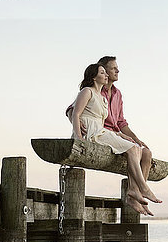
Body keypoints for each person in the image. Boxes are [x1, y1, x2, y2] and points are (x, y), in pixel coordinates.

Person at [70, 63, 161, 216]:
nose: (106, 75)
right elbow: (74, 113)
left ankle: (134, 192)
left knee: (140, 149)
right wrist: (79, 138)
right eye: (103, 72)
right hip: (91, 133)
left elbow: (118, 123)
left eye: (106, 72)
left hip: (102, 131)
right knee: (133, 149)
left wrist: (124, 136)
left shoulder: (107, 97)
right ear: (94, 76)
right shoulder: (87, 91)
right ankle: (142, 188)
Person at [66, 55, 153, 183]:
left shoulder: (118, 94)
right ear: (104, 71)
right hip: (101, 133)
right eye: (113, 68)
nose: (117, 71)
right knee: (134, 151)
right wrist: (79, 125)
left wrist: (136, 139)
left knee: (146, 153)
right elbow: (72, 110)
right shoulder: (95, 90)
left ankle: (135, 194)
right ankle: (139, 193)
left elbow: (121, 122)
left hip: (115, 135)